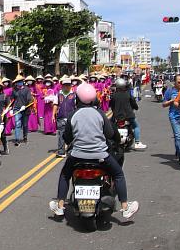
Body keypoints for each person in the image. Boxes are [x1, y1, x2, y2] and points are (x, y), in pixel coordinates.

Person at [49, 83, 139, 219]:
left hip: (77, 157)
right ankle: (125, 207)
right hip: (101, 157)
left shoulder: (73, 115)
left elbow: (67, 138)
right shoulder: (100, 114)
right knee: (118, 174)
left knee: (64, 175)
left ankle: (60, 206)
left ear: (77, 99)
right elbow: (110, 133)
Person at [109, 78, 146, 150]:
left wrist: (114, 112)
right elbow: (133, 103)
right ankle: (137, 142)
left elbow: (111, 105)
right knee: (136, 126)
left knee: (110, 126)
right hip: (129, 115)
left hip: (117, 116)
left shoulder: (114, 95)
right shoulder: (128, 94)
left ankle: (110, 140)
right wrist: (136, 107)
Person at [162, 75, 180, 164]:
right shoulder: (170, 91)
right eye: (179, 82)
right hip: (174, 117)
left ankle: (179, 149)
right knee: (178, 136)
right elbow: (164, 104)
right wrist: (172, 101)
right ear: (174, 82)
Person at [52, 77, 76, 157]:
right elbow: (55, 104)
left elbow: (76, 106)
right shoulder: (58, 94)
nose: (66, 87)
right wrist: (53, 115)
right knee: (61, 135)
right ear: (62, 86)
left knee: (71, 135)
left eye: (68, 85)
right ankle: (61, 152)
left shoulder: (74, 95)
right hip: (61, 117)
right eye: (65, 85)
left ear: (70, 86)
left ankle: (71, 151)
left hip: (71, 118)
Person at [10, 75, 34, 146]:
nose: (19, 83)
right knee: (17, 124)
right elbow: (12, 100)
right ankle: (17, 139)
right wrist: (11, 108)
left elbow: (30, 99)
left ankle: (25, 136)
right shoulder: (14, 90)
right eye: (17, 82)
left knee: (25, 124)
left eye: (20, 81)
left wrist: (25, 105)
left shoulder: (27, 89)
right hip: (17, 109)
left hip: (25, 109)